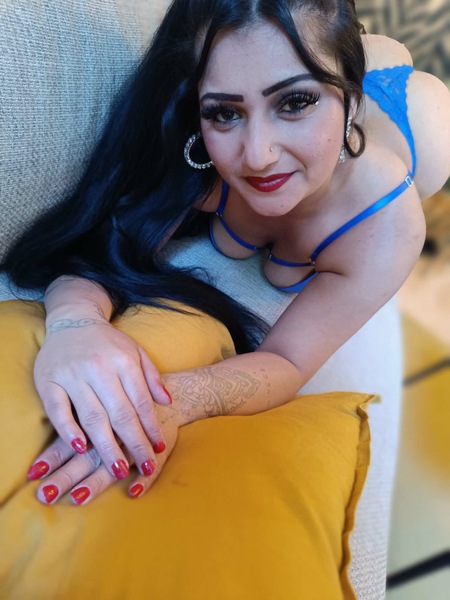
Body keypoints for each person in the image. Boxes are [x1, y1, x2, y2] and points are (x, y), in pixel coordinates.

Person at [3, 0, 450, 505]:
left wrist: (175, 402)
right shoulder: (194, 156)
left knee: (410, 88)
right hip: (336, 75)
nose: (258, 155)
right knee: (314, 51)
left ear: (348, 102)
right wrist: (74, 323)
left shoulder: (388, 226)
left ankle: (368, 75)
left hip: (412, 121)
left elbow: (286, 360)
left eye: (295, 102)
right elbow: (103, 243)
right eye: (225, 112)